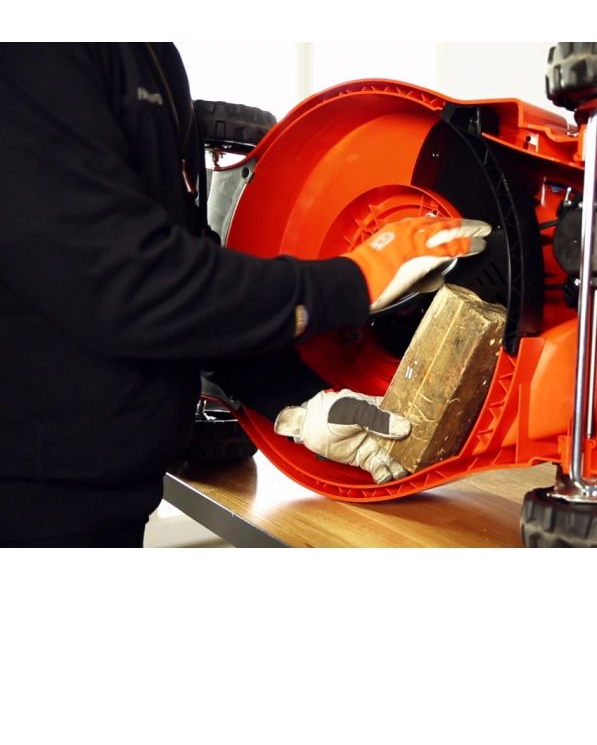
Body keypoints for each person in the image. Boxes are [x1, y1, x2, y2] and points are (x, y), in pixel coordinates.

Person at [0, 43, 489, 547]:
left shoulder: (151, 55)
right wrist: (354, 281)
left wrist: (297, 403)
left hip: (107, 499)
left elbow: (185, 271)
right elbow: (124, 281)